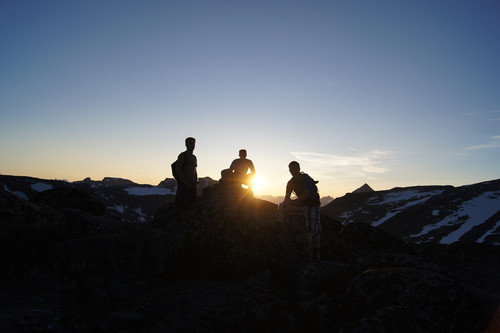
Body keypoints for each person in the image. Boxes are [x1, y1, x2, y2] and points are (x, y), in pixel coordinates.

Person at [281, 161, 322, 262]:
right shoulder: (290, 183)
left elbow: (306, 194)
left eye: (295, 169)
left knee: (314, 230)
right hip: (303, 204)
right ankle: (281, 225)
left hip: (313, 205)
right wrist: (284, 204)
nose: (293, 171)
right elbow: (287, 198)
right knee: (282, 207)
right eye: (291, 169)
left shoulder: (306, 178)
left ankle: (316, 254)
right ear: (289, 170)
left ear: (299, 169)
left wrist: (293, 202)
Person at [175, 137, 198, 212]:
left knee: (191, 205)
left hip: (192, 185)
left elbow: (194, 170)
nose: (192, 145)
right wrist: (185, 182)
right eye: (190, 143)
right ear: (186, 144)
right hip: (183, 185)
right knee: (182, 207)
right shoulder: (182, 155)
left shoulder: (194, 157)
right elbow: (178, 170)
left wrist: (196, 180)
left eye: (193, 143)